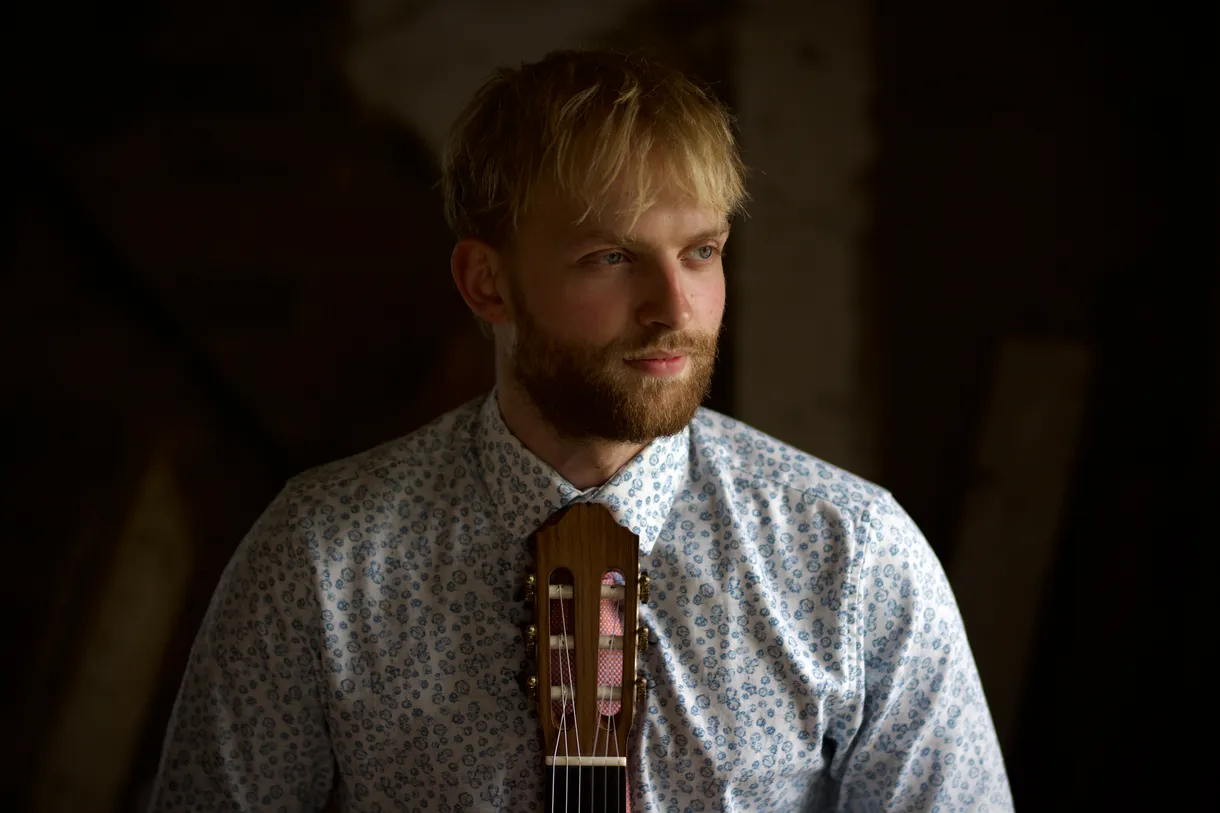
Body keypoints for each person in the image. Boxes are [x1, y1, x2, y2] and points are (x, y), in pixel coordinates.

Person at [149, 49, 1014, 812]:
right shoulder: (318, 561)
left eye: (701, 251)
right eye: (611, 257)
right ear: (486, 283)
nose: (675, 308)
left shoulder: (853, 556)